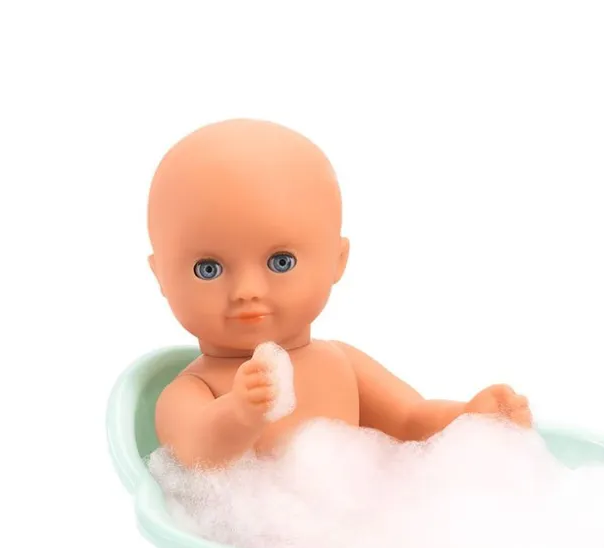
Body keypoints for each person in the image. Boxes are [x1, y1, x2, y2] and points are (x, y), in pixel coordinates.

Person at [148, 118, 532, 468]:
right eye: (208, 269)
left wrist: (470, 421)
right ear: (160, 276)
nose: (247, 291)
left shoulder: (341, 363)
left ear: (338, 260)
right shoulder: (191, 391)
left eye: (280, 262)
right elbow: (197, 455)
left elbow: (410, 420)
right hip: (254, 523)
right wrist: (238, 414)